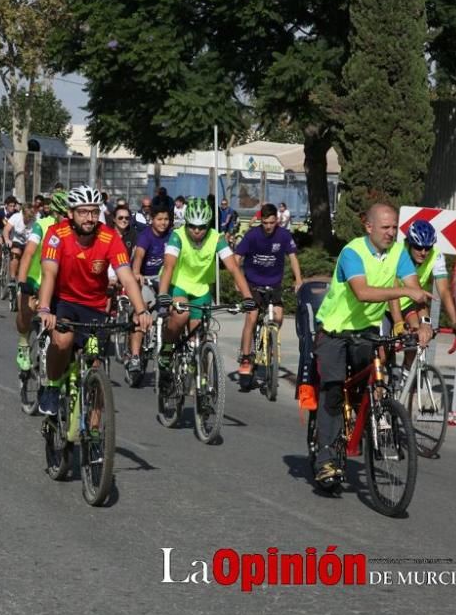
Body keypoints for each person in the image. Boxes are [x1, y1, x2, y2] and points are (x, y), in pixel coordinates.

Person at [311, 203, 432, 483]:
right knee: (332, 391)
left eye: (394, 228)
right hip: (335, 330)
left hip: (365, 330)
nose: (391, 233)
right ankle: (325, 459)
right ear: (369, 227)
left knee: (373, 383)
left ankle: (367, 424)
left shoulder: (398, 253)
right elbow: (363, 292)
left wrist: (422, 324)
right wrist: (404, 289)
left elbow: (416, 292)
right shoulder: (353, 252)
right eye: (385, 227)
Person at [35, 186, 152, 418]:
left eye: (94, 212)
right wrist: (45, 309)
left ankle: (96, 435)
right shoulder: (57, 235)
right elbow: (49, 273)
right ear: (70, 213)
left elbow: (127, 276)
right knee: (64, 340)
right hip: (64, 302)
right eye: (83, 212)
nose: (89, 218)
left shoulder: (109, 237)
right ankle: (52, 386)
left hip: (95, 308)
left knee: (95, 363)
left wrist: (141, 310)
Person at [156, 197, 256, 380]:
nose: (196, 231)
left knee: (199, 336)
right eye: (192, 226)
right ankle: (167, 347)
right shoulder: (177, 236)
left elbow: (233, 267)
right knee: (181, 315)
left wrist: (247, 297)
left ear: (208, 225)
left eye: (202, 227)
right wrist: (163, 294)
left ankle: (202, 381)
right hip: (178, 284)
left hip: (201, 288)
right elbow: (169, 266)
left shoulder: (216, 238)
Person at [387, 220, 456, 377]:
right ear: (409, 243)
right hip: (387, 303)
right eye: (418, 247)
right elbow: (393, 291)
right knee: (383, 355)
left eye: (428, 247)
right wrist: (397, 323)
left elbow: (444, 290)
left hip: (411, 303)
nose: (423, 252)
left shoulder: (436, 256)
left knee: (417, 336)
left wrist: (455, 321)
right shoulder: (397, 252)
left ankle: (405, 374)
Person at [235, 203, 303, 377]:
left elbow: (293, 258)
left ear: (277, 220)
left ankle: (270, 340)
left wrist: (298, 280)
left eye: (271, 223)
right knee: (252, 316)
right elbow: (236, 258)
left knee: (279, 317)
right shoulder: (252, 235)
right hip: (253, 284)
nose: (268, 227)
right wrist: (238, 280)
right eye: (265, 223)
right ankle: (245, 356)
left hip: (274, 284)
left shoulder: (284, 235)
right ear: (261, 221)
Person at [13, 191, 68, 370]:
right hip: (36, 277)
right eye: (64, 215)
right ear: (56, 213)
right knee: (26, 312)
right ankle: (23, 343)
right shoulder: (41, 225)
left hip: (58, 281)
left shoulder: (74, 230)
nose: (68, 219)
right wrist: (21, 282)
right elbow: (28, 253)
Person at [126, 201, 173, 383]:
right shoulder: (145, 236)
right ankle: (136, 356)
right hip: (144, 278)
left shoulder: (171, 236)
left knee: (172, 313)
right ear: (152, 219)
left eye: (166, 219)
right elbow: (138, 256)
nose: (163, 223)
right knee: (142, 312)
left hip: (163, 280)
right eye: (159, 219)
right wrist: (137, 273)